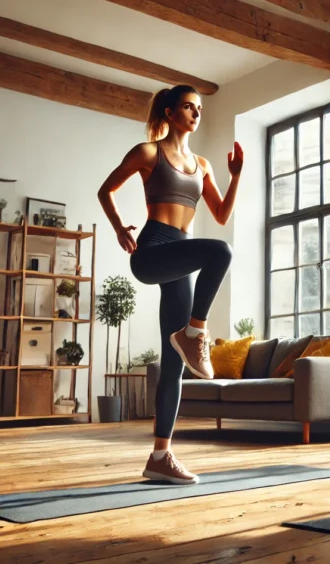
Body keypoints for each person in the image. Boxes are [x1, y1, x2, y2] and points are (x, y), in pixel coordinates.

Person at [98, 84, 243, 484]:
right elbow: (105, 190)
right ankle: (195, 333)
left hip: (181, 258)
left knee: (173, 368)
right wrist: (118, 229)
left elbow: (221, 212)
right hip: (152, 250)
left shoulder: (203, 164)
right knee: (221, 252)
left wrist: (235, 177)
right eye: (188, 106)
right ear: (169, 112)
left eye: (199, 108)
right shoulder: (149, 152)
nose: (196, 113)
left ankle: (160, 456)